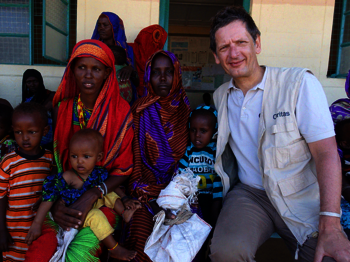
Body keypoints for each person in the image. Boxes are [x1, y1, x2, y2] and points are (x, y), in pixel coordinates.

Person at [209, 6, 350, 262]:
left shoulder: (298, 84)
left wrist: (331, 223)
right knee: (226, 253)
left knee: (330, 257)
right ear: (216, 57)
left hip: (301, 195)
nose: (234, 53)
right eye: (224, 47)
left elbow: (327, 154)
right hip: (251, 194)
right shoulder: (221, 97)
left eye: (241, 42)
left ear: (257, 43)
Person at [25, 39, 135, 262]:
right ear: (72, 70)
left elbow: (123, 168)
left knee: (80, 255)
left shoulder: (121, 111)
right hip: (66, 194)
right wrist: (57, 205)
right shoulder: (62, 108)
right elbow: (59, 162)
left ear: (107, 73)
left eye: (96, 69)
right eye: (81, 67)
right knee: (39, 253)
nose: (88, 75)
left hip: (103, 197)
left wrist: (92, 194)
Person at [25, 129, 138, 260]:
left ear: (99, 157)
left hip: (94, 204)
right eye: (74, 156)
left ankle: (124, 212)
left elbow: (114, 187)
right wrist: (37, 223)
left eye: (86, 157)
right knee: (96, 216)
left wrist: (125, 198)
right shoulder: (68, 176)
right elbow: (49, 196)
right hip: (77, 214)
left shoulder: (99, 173)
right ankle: (114, 248)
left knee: (109, 193)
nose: (79, 161)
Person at [122, 50, 191, 261]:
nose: (163, 78)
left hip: (178, 192)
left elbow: (188, 162)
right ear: (148, 76)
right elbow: (133, 159)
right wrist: (144, 193)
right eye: (156, 72)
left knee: (185, 235)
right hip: (144, 191)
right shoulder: (140, 110)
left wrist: (173, 194)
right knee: (141, 231)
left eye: (169, 72)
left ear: (177, 75)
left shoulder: (186, 111)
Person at [0, 103, 52, 261]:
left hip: (38, 227)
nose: (25, 138)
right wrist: (1, 230)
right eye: (18, 132)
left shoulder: (50, 160)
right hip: (13, 229)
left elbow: (52, 190)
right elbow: (0, 196)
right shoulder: (8, 162)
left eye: (32, 132)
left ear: (44, 131)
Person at [178, 106, 222, 227]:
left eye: (203, 131)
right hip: (191, 198)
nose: (197, 135)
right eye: (193, 130)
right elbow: (180, 176)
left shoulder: (216, 152)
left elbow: (219, 181)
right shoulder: (188, 151)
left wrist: (216, 205)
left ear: (214, 131)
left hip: (211, 198)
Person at [92, 12, 135, 82]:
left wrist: (130, 69)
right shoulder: (95, 48)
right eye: (99, 25)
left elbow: (136, 78)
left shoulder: (128, 49)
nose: (101, 28)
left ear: (115, 27)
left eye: (105, 25)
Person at [129, 25, 168, 97]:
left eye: (158, 43)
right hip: (129, 94)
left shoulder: (160, 58)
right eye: (153, 39)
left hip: (149, 96)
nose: (155, 45)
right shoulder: (129, 49)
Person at [21, 69, 55, 150]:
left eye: (35, 81)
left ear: (40, 81)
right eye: (29, 82)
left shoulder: (51, 96)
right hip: (32, 138)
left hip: (50, 138)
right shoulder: (26, 100)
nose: (32, 84)